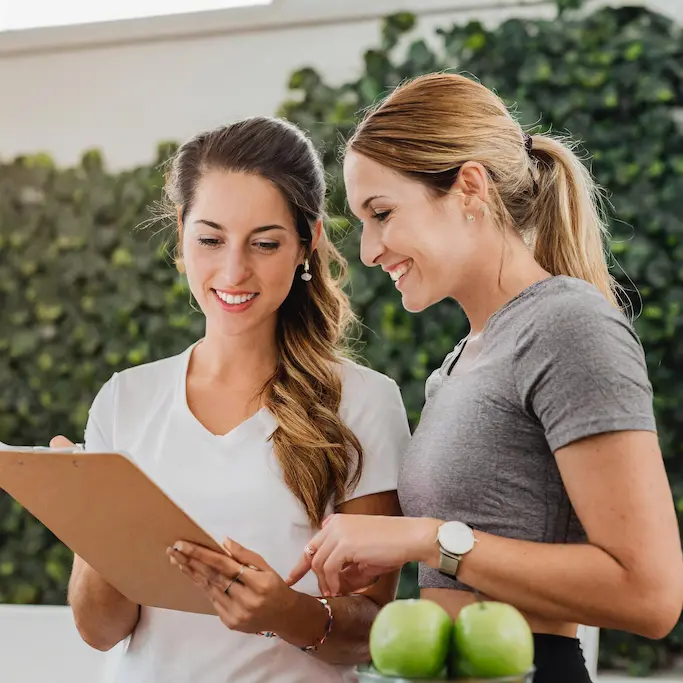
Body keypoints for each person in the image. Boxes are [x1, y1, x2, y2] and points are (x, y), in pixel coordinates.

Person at [288, 73, 683, 682]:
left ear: (469, 186)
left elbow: (650, 594)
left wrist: (425, 540)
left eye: (382, 213)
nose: (368, 250)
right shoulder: (458, 363)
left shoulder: (567, 325)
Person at [52, 116, 410, 683]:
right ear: (181, 233)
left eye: (265, 243)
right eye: (211, 239)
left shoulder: (363, 403)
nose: (233, 270)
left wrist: (286, 614)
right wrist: (99, 521)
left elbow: (373, 633)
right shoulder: (126, 400)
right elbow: (99, 631)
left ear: (306, 245)